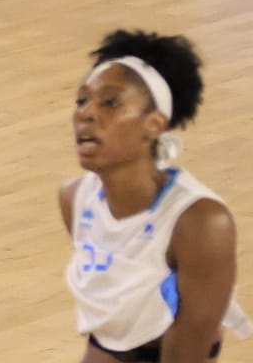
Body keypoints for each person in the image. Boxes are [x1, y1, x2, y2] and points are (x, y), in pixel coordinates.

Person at [62, 29, 251, 360]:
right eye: (82, 100)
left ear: (153, 125)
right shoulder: (74, 199)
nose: (86, 114)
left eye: (110, 102)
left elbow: (189, 350)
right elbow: (109, 302)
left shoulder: (200, 223)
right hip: (113, 342)